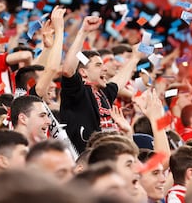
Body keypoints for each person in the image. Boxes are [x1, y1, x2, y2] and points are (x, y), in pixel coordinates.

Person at [60, 15, 143, 153]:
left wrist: (135, 58)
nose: (105, 68)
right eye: (98, 65)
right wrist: (83, 32)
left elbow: (118, 81)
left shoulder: (102, 93)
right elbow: (68, 70)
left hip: (106, 158)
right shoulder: (77, 91)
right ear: (83, 73)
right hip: (85, 162)